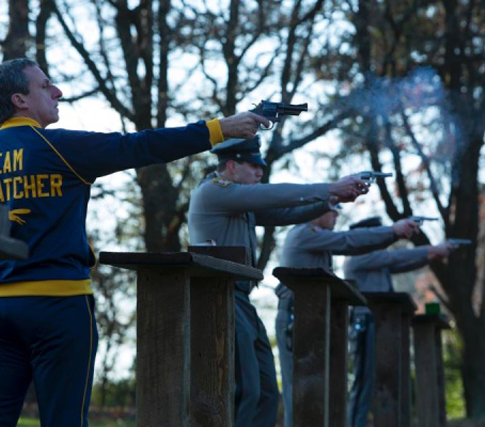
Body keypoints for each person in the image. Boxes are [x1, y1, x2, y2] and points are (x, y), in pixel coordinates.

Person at [0, 57, 269, 427]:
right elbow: (139, 146)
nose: (58, 92)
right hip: (58, 305)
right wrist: (217, 129)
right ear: (20, 100)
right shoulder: (57, 148)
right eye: (45, 85)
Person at [187, 136, 370, 427]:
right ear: (231, 166)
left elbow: (286, 212)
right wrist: (330, 187)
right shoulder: (214, 191)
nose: (260, 172)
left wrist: (330, 199)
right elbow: (276, 196)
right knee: (245, 390)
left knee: (266, 392)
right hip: (220, 294)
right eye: (253, 166)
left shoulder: (238, 199)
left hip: (240, 298)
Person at [274, 211, 420, 427]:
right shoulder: (305, 234)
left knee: (319, 391)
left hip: (316, 316)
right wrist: (392, 232)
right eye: (331, 208)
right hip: (298, 315)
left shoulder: (317, 237)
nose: (336, 214)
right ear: (315, 211)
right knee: (298, 392)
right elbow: (350, 241)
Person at [342, 217, 454, 427]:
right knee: (363, 383)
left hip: (382, 322)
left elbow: (402, 262)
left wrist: (430, 255)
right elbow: (393, 259)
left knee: (382, 381)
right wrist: (431, 249)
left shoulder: (374, 259)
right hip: (365, 322)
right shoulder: (357, 257)